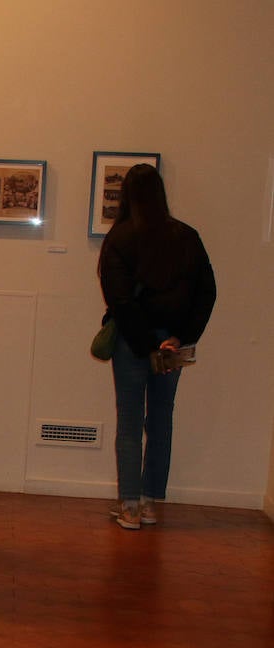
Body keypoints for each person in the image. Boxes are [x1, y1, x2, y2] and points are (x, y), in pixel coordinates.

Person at [97, 163, 216, 529]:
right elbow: (206, 293)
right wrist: (177, 338)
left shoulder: (120, 239)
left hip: (133, 343)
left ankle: (130, 506)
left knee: (130, 421)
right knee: (162, 418)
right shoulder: (187, 237)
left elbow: (120, 301)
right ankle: (150, 502)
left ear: (127, 196)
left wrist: (148, 343)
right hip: (171, 345)